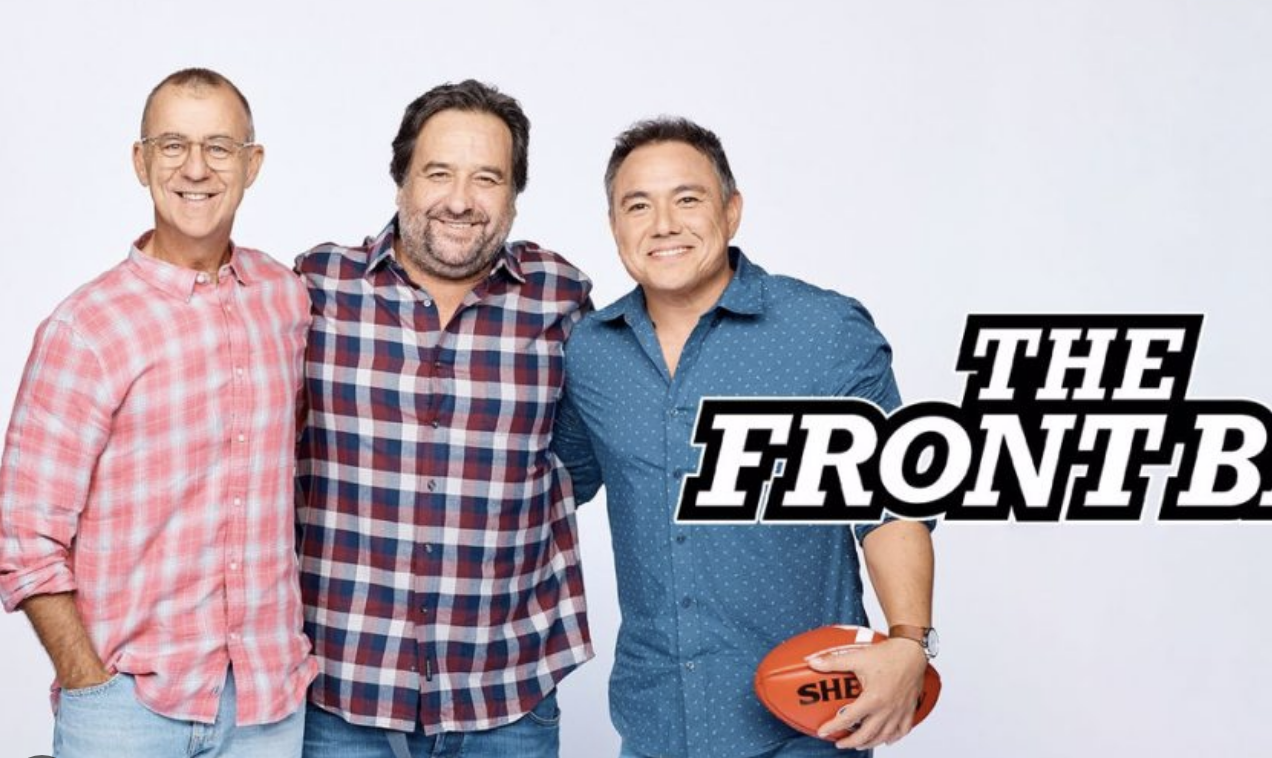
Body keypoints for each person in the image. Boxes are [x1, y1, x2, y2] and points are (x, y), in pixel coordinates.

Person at [555, 117, 937, 758]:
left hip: (808, 722)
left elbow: (891, 504)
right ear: (615, 227)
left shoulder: (822, 330)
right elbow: (549, 488)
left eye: (688, 199)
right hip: (654, 725)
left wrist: (908, 641)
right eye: (638, 205)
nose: (664, 224)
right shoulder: (592, 353)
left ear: (731, 212)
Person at [0, 68, 314, 757]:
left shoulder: (287, 301)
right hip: (127, 712)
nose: (195, 168)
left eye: (219, 147)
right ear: (140, 161)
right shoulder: (85, 329)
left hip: (267, 704)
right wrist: (88, 679)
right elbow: (24, 536)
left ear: (252, 164)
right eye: (172, 145)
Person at [295, 80, 593, 758]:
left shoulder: (563, 298)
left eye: (487, 178)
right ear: (400, 179)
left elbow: (590, 459)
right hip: (340, 691)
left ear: (516, 193)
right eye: (438, 173)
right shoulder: (315, 288)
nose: (460, 200)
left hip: (507, 692)